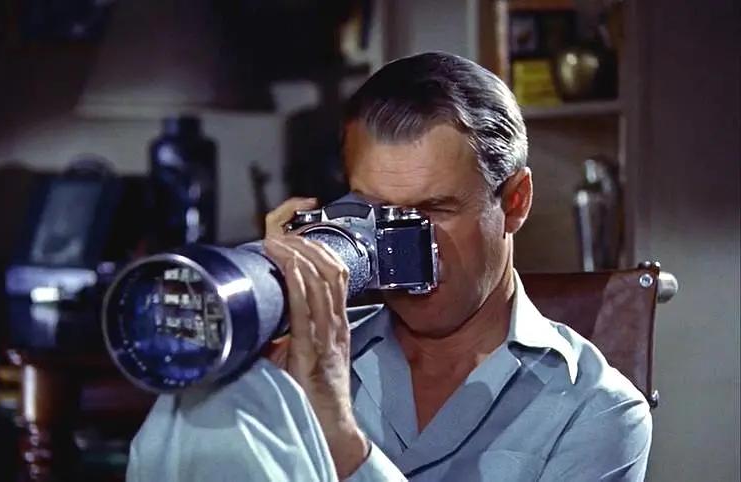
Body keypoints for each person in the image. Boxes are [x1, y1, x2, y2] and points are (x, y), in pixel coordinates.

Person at [128, 52, 652, 481]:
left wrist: (337, 435)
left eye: (435, 210)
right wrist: (254, 319)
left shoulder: (597, 411)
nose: (406, 243)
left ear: (515, 202)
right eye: (377, 213)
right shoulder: (300, 355)